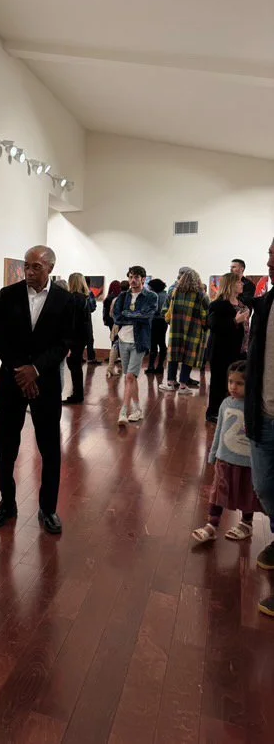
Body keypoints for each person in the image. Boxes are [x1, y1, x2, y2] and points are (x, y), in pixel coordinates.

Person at [0, 246, 78, 535]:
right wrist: (21, 371)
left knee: (49, 447)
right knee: (7, 446)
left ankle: (48, 508)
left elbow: (65, 342)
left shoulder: (65, 300)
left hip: (45, 383)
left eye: (36, 267)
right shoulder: (8, 295)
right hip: (13, 380)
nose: (29, 271)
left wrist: (35, 370)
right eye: (26, 266)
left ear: (50, 268)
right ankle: (7, 503)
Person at [192, 361, 264, 544]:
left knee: (247, 493)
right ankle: (212, 525)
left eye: (239, 383)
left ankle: (246, 524)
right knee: (218, 492)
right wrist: (213, 453)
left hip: (248, 463)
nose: (233, 387)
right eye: (231, 381)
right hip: (224, 459)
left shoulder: (257, 407)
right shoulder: (225, 404)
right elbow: (219, 431)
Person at [245, 236, 274, 617]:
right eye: (269, 253)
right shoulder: (266, 304)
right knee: (264, 485)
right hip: (264, 412)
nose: (268, 262)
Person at [113, 266, 157, 425]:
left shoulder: (150, 296)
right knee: (129, 377)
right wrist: (135, 315)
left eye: (136, 277)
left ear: (143, 279)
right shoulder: (123, 296)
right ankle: (138, 409)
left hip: (139, 341)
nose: (133, 280)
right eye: (131, 277)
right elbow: (117, 317)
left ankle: (123, 412)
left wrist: (128, 314)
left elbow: (147, 316)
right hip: (123, 339)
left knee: (130, 376)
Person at [205, 273, 249, 422]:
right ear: (230, 284)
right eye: (238, 282)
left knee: (235, 383)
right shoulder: (218, 304)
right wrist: (235, 321)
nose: (242, 284)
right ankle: (213, 412)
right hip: (221, 351)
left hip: (239, 349)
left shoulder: (241, 303)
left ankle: (231, 412)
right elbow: (213, 326)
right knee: (219, 383)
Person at [159, 268, 208, 396]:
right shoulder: (201, 295)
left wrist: (171, 321)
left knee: (173, 355)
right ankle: (183, 385)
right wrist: (204, 325)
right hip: (194, 330)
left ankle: (170, 383)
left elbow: (165, 310)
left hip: (176, 330)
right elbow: (206, 314)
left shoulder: (174, 292)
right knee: (188, 357)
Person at [64, 273, 90, 404]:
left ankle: (77, 395)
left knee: (74, 365)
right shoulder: (84, 298)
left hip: (75, 337)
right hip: (81, 336)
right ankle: (78, 393)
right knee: (76, 365)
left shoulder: (74, 298)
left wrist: (68, 341)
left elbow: (72, 321)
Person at [145, 279, 168, 375]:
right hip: (163, 322)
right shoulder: (166, 295)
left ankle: (151, 366)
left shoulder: (155, 296)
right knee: (162, 343)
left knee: (153, 344)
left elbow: (153, 310)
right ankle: (160, 366)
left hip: (155, 321)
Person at [84, 276, 101, 364]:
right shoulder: (89, 293)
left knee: (78, 339)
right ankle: (91, 358)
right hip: (86, 319)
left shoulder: (74, 293)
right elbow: (92, 307)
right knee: (89, 339)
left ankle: (79, 357)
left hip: (76, 320)